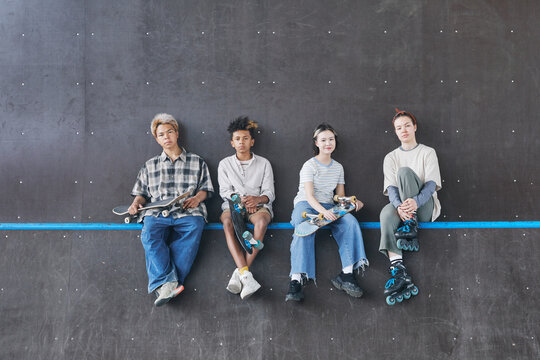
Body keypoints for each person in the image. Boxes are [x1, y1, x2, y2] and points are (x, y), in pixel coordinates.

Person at [128, 113, 214, 307]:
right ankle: (171, 282)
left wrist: (196, 198)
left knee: (195, 228)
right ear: (156, 139)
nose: (166, 137)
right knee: (149, 234)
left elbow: (206, 190)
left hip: (188, 212)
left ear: (177, 133)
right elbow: (140, 193)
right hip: (157, 213)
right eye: (161, 134)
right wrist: (135, 204)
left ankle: (165, 283)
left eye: (169, 132)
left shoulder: (197, 161)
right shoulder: (149, 166)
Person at [285, 123, 369, 302]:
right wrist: (323, 212)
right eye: (323, 140)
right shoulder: (309, 166)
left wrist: (352, 203)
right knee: (303, 227)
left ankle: (347, 275)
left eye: (331, 139)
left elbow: (339, 197)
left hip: (329, 206)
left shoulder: (338, 167)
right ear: (316, 143)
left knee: (351, 222)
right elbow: (309, 195)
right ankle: (296, 280)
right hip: (307, 205)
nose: (328, 143)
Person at [379, 109, 442, 305]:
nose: (403, 130)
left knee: (405, 173)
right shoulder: (390, 157)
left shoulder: (427, 152)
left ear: (414, 127)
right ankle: (399, 271)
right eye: (399, 128)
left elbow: (431, 184)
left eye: (407, 125)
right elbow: (391, 189)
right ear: (395, 132)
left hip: (424, 207)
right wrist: (399, 207)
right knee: (386, 213)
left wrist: (415, 203)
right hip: (403, 211)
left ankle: (411, 225)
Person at [218, 116, 275, 299]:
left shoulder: (264, 163)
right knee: (227, 222)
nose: (241, 142)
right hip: (233, 205)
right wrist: (241, 202)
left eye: (245, 138)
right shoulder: (225, 164)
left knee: (262, 222)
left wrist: (256, 200)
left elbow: (270, 194)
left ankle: (242, 272)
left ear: (252, 141)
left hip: (258, 205)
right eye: (237, 139)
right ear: (232, 143)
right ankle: (246, 274)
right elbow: (225, 191)